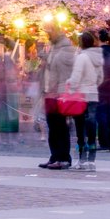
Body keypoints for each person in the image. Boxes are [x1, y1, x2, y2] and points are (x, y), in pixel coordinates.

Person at [65, 30, 104, 171]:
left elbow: (75, 77)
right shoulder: (98, 57)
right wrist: (92, 86)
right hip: (93, 94)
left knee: (80, 129)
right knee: (92, 128)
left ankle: (81, 159)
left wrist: (70, 86)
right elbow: (100, 78)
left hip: (81, 96)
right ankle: (92, 161)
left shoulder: (81, 57)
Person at [40, 25, 77, 170]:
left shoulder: (66, 50)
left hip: (60, 92)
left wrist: (58, 89)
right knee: (52, 126)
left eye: (50, 33)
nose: (48, 36)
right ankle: (54, 156)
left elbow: (64, 73)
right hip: (50, 92)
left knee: (60, 126)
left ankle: (63, 157)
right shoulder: (53, 49)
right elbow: (51, 70)